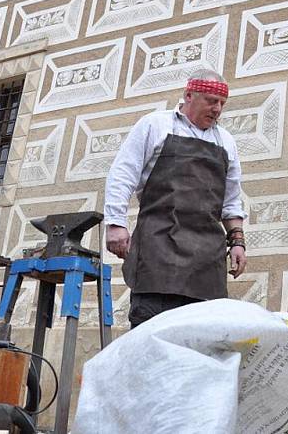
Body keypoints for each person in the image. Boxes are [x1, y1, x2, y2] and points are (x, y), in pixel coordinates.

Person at [104, 70, 247, 328]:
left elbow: (231, 200)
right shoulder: (154, 125)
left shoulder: (226, 141)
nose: (217, 109)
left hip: (207, 261)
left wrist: (238, 242)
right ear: (189, 95)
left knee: (202, 343)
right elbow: (122, 174)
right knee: (151, 338)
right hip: (158, 250)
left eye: (222, 104)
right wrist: (116, 222)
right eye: (211, 101)